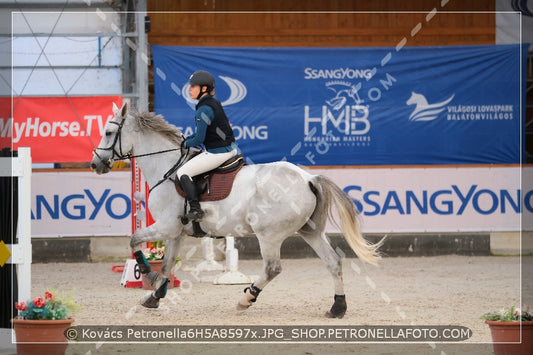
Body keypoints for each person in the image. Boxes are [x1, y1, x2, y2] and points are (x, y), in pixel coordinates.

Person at [177, 70, 237, 221]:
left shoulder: (204, 108)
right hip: (228, 149)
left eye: (193, 86)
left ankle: (196, 210)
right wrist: (188, 139)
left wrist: (184, 143)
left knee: (183, 173)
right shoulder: (213, 102)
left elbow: (199, 139)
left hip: (217, 153)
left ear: (204, 89)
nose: (189, 89)